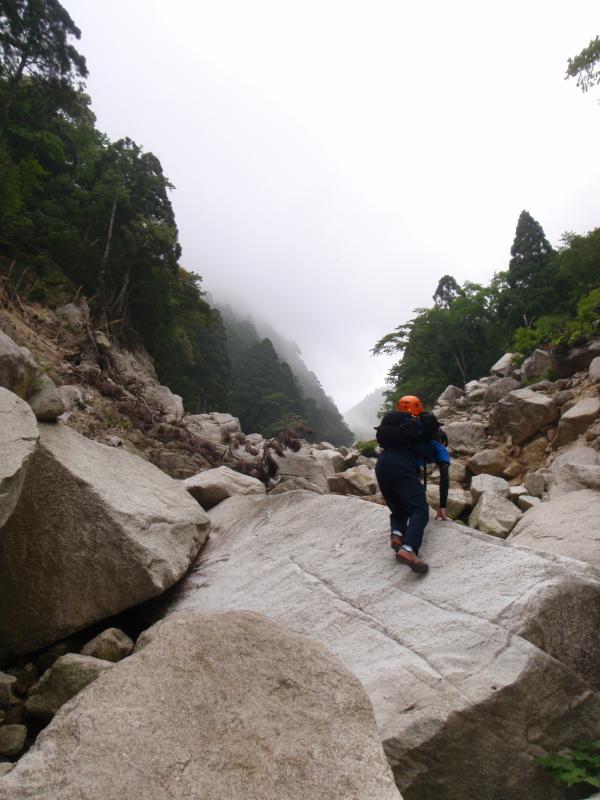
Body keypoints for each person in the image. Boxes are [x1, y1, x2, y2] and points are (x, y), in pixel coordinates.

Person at [374, 395, 446, 574]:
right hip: (401, 465)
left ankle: (397, 535)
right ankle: (409, 549)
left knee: (398, 508)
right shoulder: (432, 442)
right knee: (419, 510)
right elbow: (445, 474)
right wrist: (443, 506)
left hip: (382, 463)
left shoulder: (400, 429)